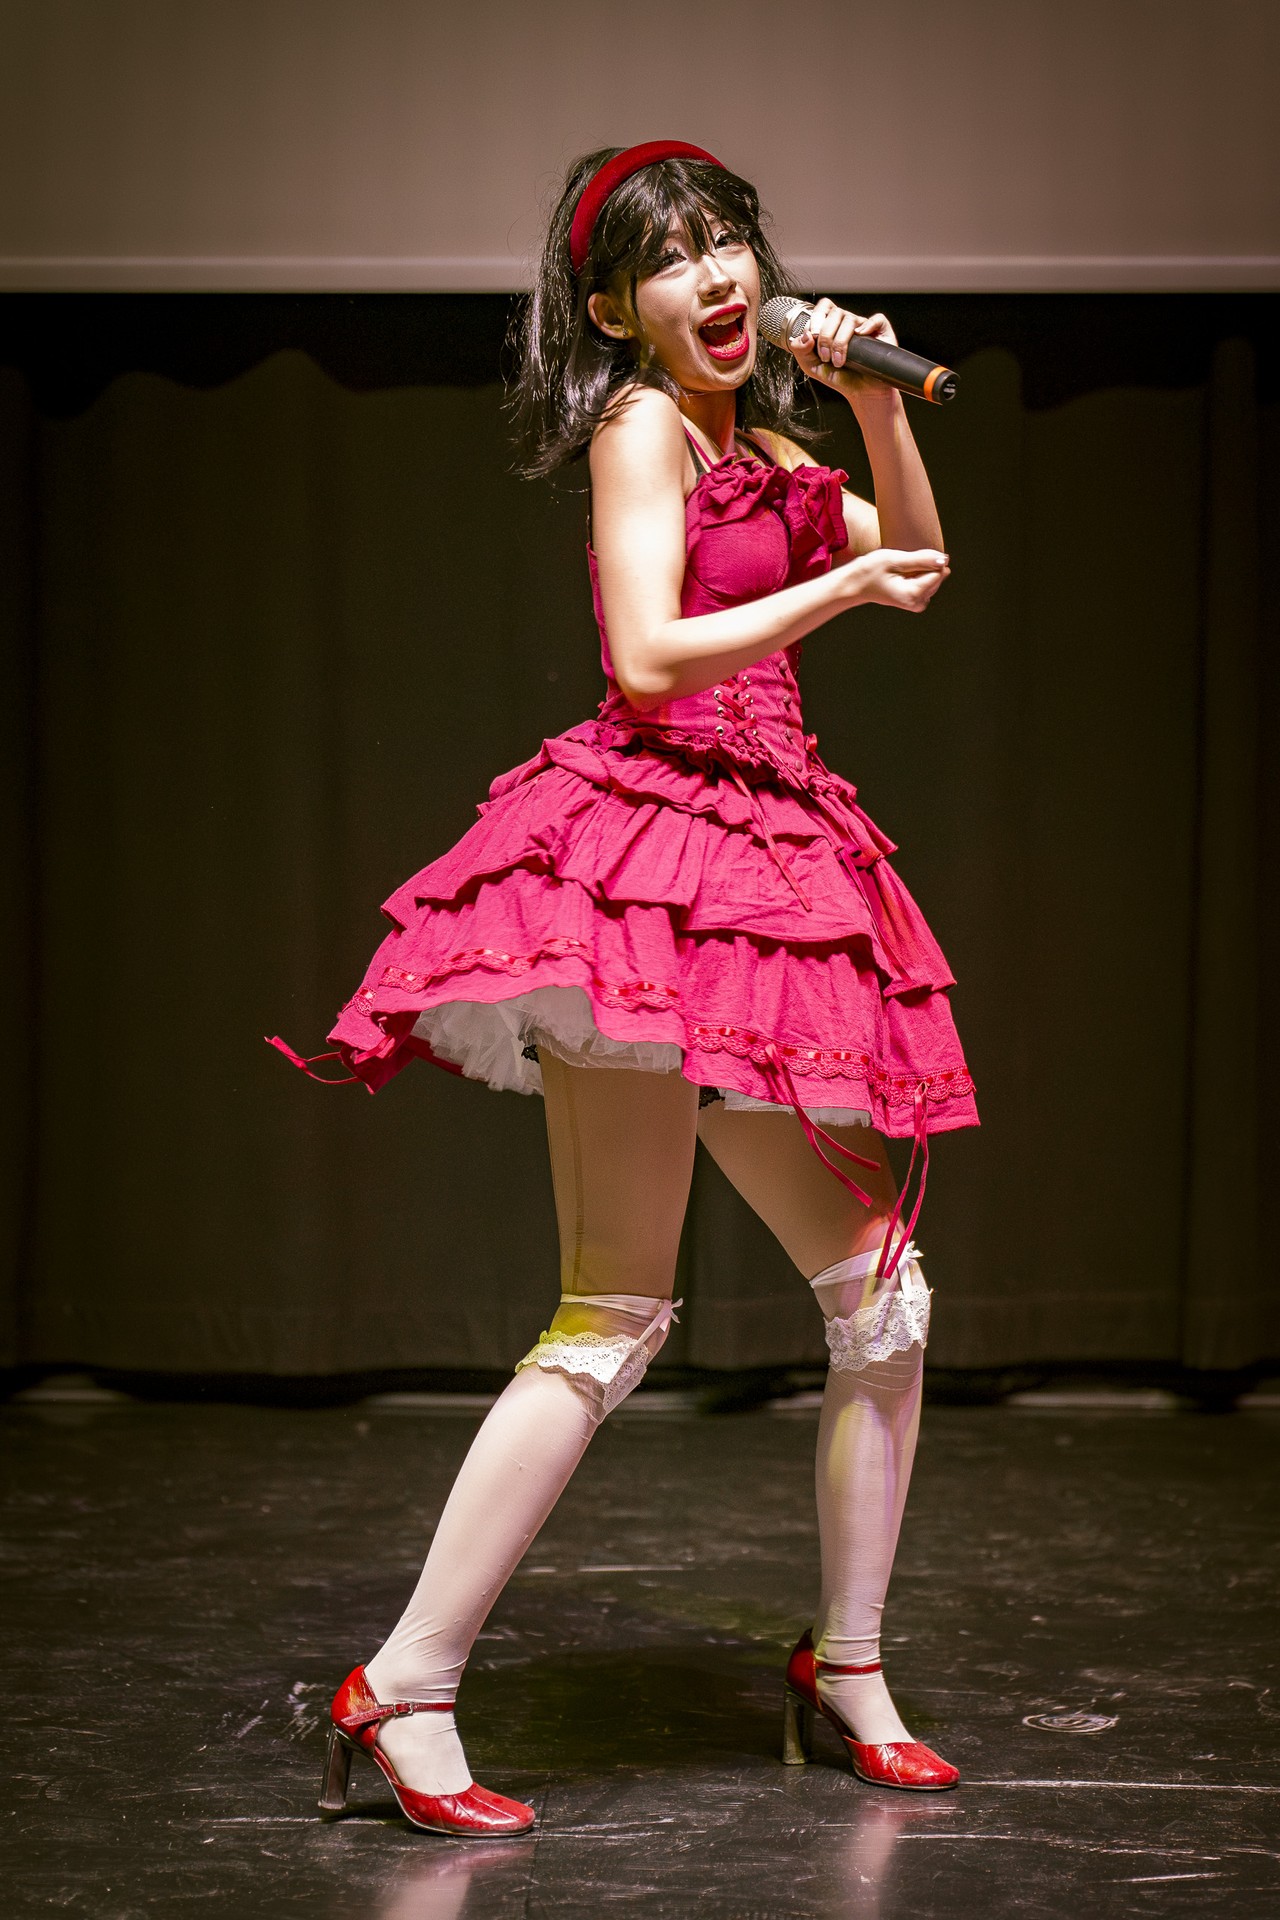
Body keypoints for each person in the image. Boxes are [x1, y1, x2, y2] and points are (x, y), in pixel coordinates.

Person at [277, 141, 978, 1837]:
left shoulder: (778, 450)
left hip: (769, 878)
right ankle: (404, 1685)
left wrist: (874, 408)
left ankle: (849, 1665)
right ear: (615, 311)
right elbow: (654, 660)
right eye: (674, 257)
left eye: (732, 242)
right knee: (616, 1310)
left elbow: (921, 560)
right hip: (645, 870)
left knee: (884, 1298)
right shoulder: (643, 428)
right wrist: (831, 585)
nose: (717, 275)